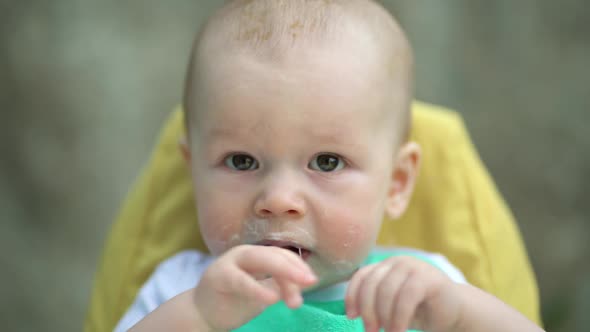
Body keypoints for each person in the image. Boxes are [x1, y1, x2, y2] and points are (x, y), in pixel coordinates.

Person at [115, 1, 544, 331]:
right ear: (193, 173)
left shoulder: (422, 288)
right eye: (241, 161)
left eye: (327, 161)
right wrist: (197, 317)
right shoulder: (182, 292)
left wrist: (460, 316)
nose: (279, 201)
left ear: (396, 183)